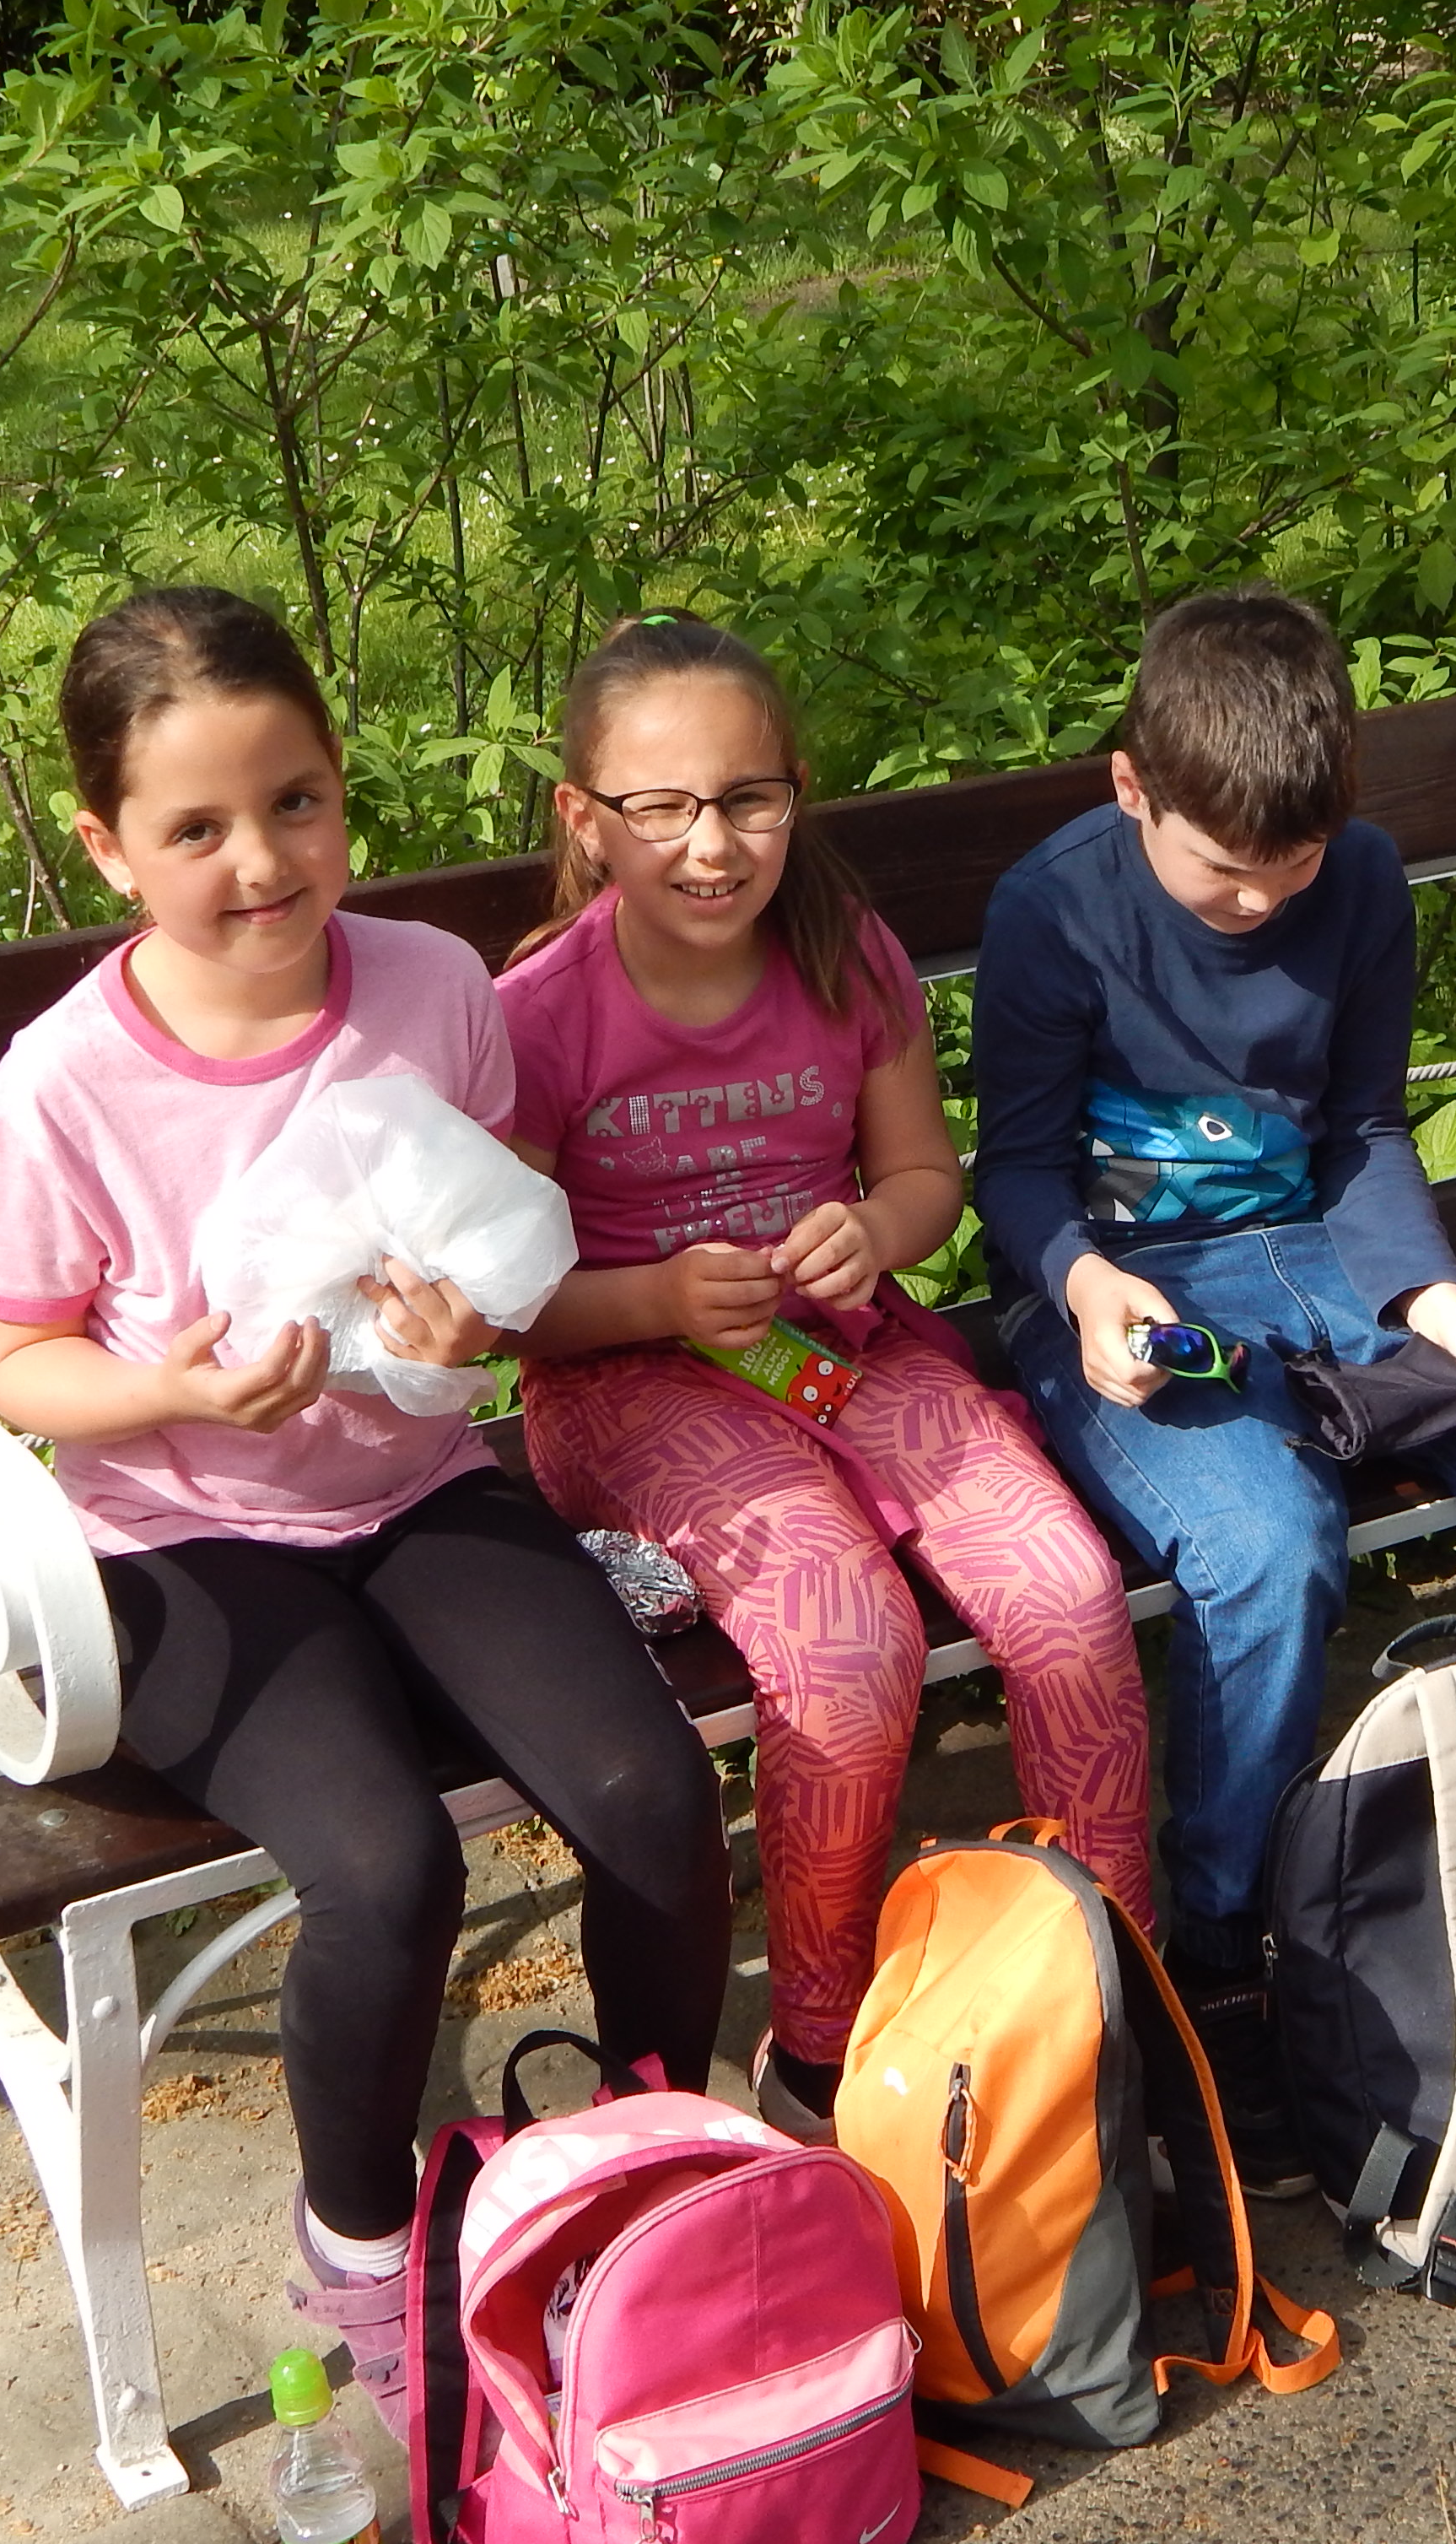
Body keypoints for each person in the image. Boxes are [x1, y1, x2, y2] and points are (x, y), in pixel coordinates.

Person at [0, 586, 730, 2427]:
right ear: (107, 848)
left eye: (295, 802)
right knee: (386, 1864)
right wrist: (173, 1390)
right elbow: (19, 1366)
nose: (261, 862)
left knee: (650, 1794)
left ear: (340, 790)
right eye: (196, 830)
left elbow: (486, 1250)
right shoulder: (61, 1086)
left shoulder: (432, 989)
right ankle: (364, 2246)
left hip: (419, 1480)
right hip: (182, 1535)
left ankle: (647, 2170)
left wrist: (470, 1330)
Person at [973, 581, 1456, 2196]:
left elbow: (1360, 1127)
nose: (1258, 898)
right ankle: (1226, 1941)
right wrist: (1078, 1282)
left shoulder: (1351, 876)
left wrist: (1426, 1285)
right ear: (1131, 786)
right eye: (1223, 867)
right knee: (1265, 1543)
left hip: (1331, 1253)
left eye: (1287, 863)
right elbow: (1016, 1166)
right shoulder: (1055, 908)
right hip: (1126, 1284)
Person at [498, 611, 1156, 2141]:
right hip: (627, 1379)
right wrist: (659, 1295)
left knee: (1066, 1594)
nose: (712, 844)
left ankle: (1096, 1994)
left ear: (795, 793)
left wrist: (873, 1231)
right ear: (585, 820)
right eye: (663, 807)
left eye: (750, 799)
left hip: (843, 1348)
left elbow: (924, 1178)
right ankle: (821, 2049)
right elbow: (504, 1308)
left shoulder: (841, 952)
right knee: (847, 1642)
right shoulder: (538, 1016)